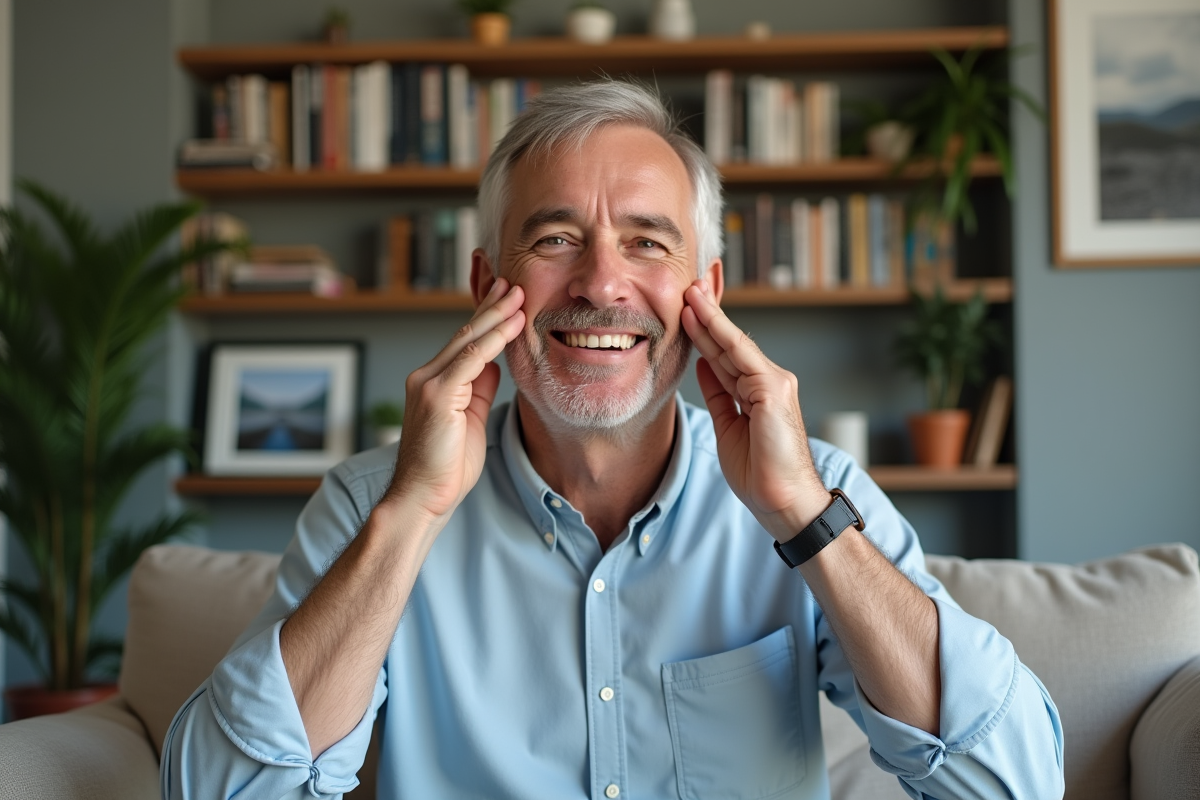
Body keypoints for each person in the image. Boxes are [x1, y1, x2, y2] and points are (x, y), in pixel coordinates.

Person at [162, 80, 1064, 800]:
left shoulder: (816, 492)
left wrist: (803, 516)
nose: (602, 281)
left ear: (704, 291)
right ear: (488, 286)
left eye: (646, 244)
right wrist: (413, 516)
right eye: (556, 238)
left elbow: (1012, 781)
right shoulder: (374, 504)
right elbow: (223, 791)